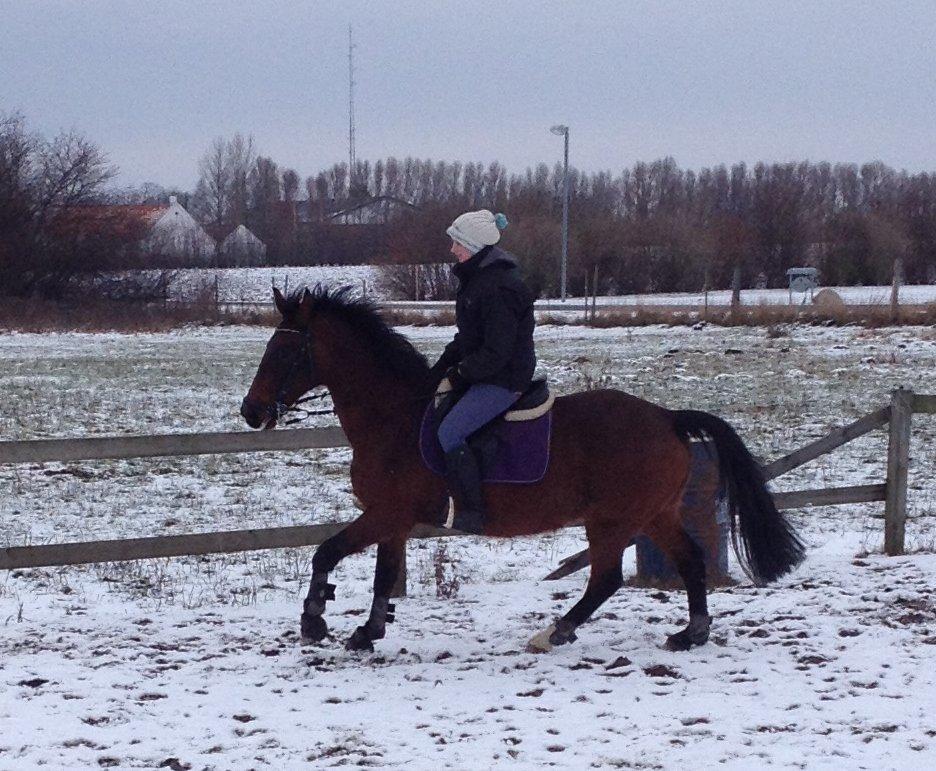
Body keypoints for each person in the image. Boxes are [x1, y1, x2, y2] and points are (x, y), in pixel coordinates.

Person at [429, 209, 537, 534]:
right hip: (486, 373)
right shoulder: (477, 282)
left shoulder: (498, 288)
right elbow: (467, 339)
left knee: (450, 432)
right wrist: (436, 371)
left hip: (503, 380)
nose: (451, 250)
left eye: (456, 243)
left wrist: (458, 375)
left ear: (474, 247)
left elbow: (496, 353)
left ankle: (473, 512)